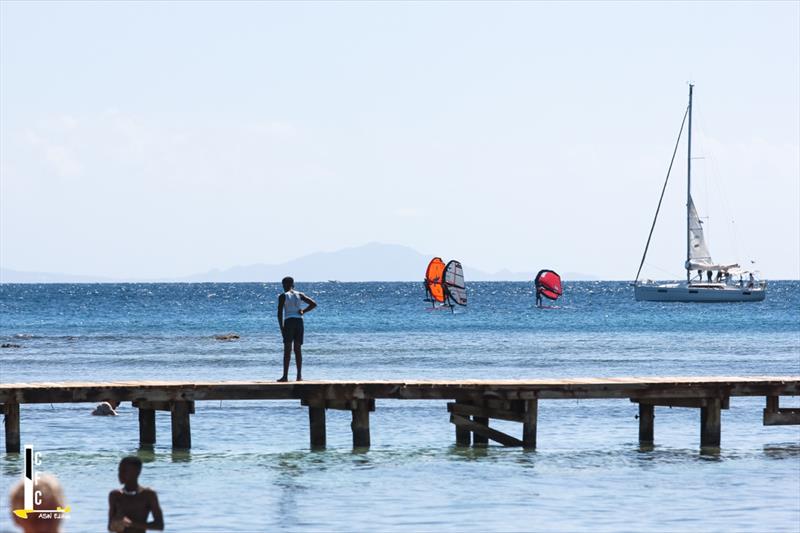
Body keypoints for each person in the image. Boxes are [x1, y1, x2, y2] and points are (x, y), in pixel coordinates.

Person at [108, 456, 163, 533]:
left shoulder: (148, 495)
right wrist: (116, 525)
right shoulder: (115, 495)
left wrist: (132, 524)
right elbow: (110, 527)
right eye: (119, 470)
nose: (120, 474)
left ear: (137, 472)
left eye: (124, 471)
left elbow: (159, 526)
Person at [277, 276, 317, 382]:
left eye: (283, 285)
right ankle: (299, 376)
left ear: (284, 285)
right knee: (297, 350)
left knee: (287, 350)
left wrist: (281, 328)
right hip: (299, 322)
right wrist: (303, 311)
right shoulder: (299, 294)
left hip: (289, 322)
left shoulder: (283, 296)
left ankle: (285, 376)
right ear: (293, 284)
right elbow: (313, 304)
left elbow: (279, 313)